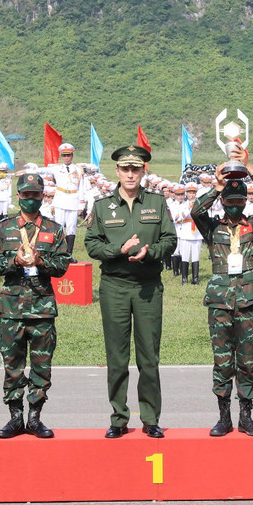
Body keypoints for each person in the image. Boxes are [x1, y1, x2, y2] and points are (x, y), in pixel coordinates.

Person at [85, 145, 177, 439]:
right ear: (117, 171)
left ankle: (150, 418)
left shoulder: (157, 202)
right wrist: (118, 250)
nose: (130, 174)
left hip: (148, 287)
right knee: (117, 356)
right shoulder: (102, 206)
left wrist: (151, 253)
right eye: (125, 169)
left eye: (135, 169)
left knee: (149, 357)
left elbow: (170, 239)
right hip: (115, 287)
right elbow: (92, 245)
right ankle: (118, 418)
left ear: (143, 171)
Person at [191, 149, 253, 437]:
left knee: (247, 361)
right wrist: (216, 187)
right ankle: (223, 416)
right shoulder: (213, 228)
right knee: (223, 361)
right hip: (221, 302)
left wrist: (250, 169)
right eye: (230, 201)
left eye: (239, 201)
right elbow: (196, 211)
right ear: (223, 203)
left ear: (245, 202)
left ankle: (246, 416)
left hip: (249, 300)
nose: (235, 206)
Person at [0, 173, 70, 439]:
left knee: (41, 366)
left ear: (42, 196)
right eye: (26, 194)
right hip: (12, 308)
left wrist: (40, 262)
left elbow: (62, 266)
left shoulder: (54, 229)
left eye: (36, 194)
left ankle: (35, 417)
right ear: (18, 196)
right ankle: (15, 418)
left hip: (42, 308)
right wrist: (14, 261)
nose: (31, 199)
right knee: (12, 365)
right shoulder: (3, 228)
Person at [47, 143, 87, 261]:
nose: (66, 158)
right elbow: (43, 170)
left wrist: (81, 205)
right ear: (61, 156)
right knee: (59, 227)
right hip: (60, 200)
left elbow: (81, 188)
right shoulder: (56, 168)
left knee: (71, 228)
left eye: (68, 155)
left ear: (72, 156)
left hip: (73, 200)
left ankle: (69, 254)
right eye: (64, 155)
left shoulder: (78, 170)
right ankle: (58, 253)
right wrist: (27, 171)